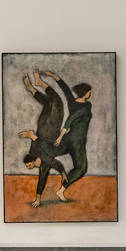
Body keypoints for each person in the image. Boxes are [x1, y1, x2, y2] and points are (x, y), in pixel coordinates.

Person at [44, 71, 93, 202]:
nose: (90, 93)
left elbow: (64, 88)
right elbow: (71, 118)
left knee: (53, 152)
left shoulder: (72, 102)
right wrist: (60, 136)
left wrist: (52, 75)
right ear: (85, 93)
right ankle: (61, 190)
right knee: (81, 168)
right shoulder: (87, 106)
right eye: (89, 91)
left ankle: (36, 141)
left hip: (69, 138)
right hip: (77, 141)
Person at [19, 131, 67, 208]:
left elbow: (58, 164)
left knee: (40, 145)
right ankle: (31, 135)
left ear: (33, 161)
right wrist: (38, 200)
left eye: (29, 165)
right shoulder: (35, 156)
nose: (28, 167)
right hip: (39, 146)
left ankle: (31, 135)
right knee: (35, 147)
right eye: (27, 166)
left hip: (49, 143)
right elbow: (41, 182)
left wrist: (63, 174)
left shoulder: (47, 161)